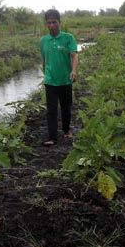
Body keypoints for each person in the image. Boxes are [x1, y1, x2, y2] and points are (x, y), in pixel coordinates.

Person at [39, 8, 78, 146]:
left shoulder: (68, 38)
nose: (51, 25)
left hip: (65, 80)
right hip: (50, 81)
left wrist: (73, 70)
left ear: (59, 22)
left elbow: (74, 55)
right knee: (51, 110)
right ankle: (52, 137)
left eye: (54, 22)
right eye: (48, 23)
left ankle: (66, 130)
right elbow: (44, 60)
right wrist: (46, 74)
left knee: (66, 107)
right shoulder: (43, 41)